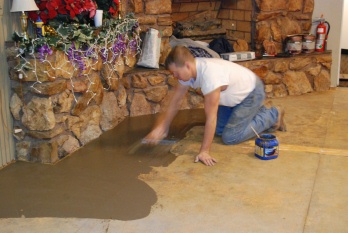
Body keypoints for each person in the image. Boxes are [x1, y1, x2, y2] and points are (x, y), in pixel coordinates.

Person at [144, 46, 286, 166]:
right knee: (219, 131)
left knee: (230, 137)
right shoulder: (191, 70)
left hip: (251, 93)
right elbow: (175, 101)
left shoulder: (209, 77)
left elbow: (211, 117)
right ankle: (255, 112)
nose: (175, 76)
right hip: (234, 98)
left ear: (187, 65)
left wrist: (204, 151)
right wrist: (162, 127)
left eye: (176, 73)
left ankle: (273, 114)